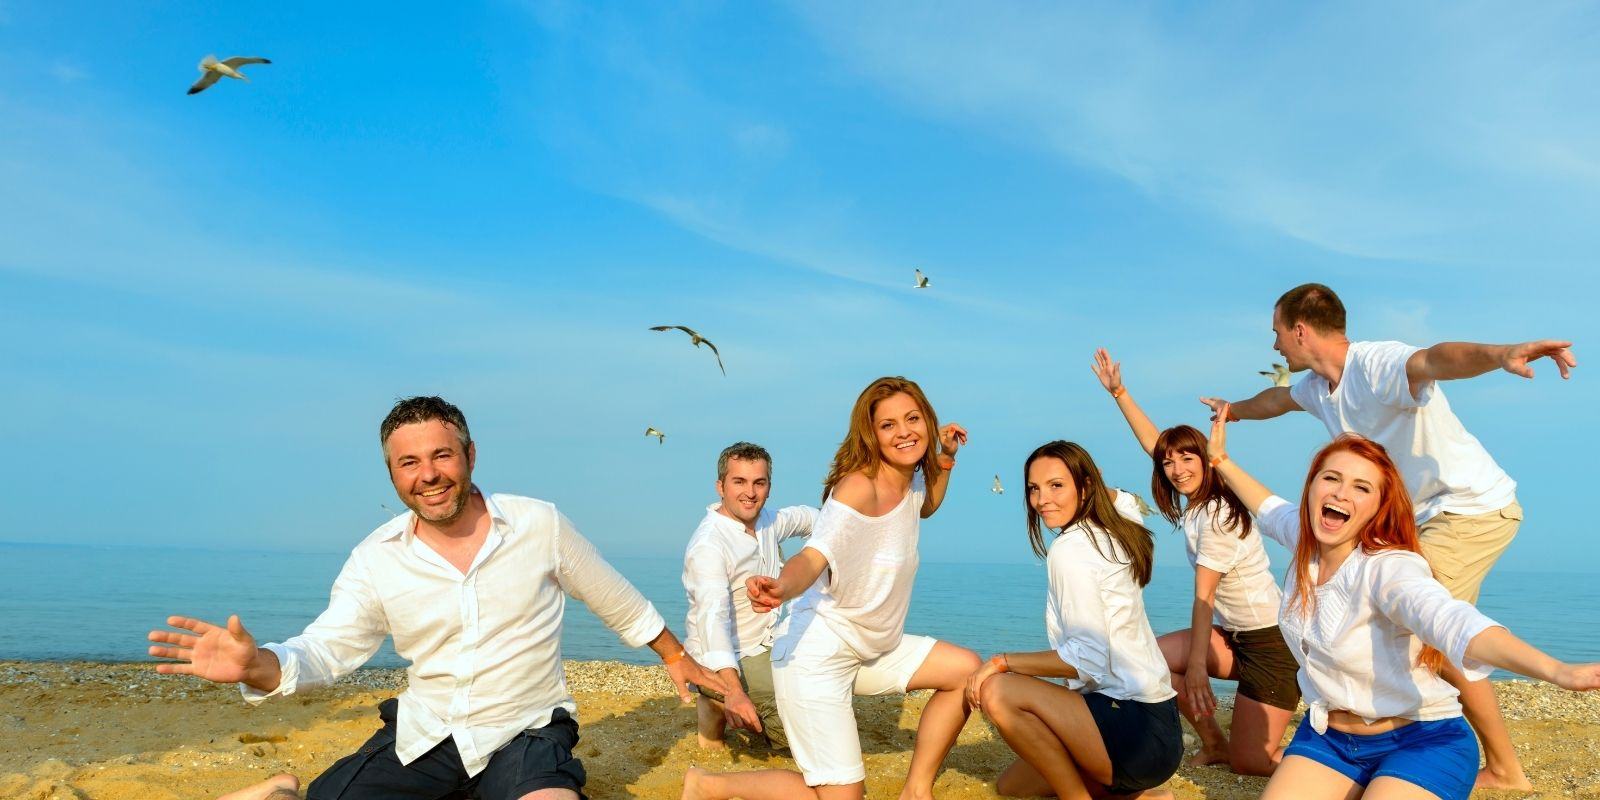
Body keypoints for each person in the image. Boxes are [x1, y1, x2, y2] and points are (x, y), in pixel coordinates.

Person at [147, 396, 726, 800]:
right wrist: (259, 665)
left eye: (441, 456)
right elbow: (328, 647)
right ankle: (281, 789)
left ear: (470, 455)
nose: (428, 474)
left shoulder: (537, 524)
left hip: (525, 732)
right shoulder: (376, 557)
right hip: (427, 734)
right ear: (393, 475)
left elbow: (615, 598)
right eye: (409, 462)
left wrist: (676, 656)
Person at [1200, 282, 1576, 791]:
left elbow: (1436, 360)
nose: (1275, 345)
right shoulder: (1317, 388)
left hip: (1468, 509)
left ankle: (1503, 767)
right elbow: (1277, 400)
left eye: (1277, 333)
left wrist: (1501, 354)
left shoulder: (1374, 365)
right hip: (1414, 517)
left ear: (1300, 331)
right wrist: (1234, 411)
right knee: (1408, 629)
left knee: (1429, 632)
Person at [1206, 406, 1600, 800]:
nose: (1341, 493)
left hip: (1423, 742)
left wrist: (1558, 671)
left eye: (1362, 487)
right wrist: (1220, 460)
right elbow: (1267, 507)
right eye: (1331, 478)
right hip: (1329, 739)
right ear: (1311, 487)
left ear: (1377, 508)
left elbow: (1453, 622)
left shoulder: (1388, 568)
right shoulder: (1305, 538)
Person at [682, 376, 981, 800]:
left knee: (966, 669)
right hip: (816, 658)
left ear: (929, 422)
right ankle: (709, 785)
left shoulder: (911, 479)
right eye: (888, 425)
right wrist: (782, 587)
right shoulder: (858, 487)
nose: (903, 432)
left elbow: (926, 504)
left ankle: (916, 791)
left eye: (912, 419)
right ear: (871, 434)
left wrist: (945, 458)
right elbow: (813, 555)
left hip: (873, 647)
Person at [1093, 348, 1297, 775]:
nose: (1176, 469)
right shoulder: (1198, 504)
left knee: (1252, 763)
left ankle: (1328, 764)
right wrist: (1119, 393)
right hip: (1235, 637)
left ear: (1206, 461)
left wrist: (1199, 670)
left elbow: (1203, 597)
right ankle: (1214, 743)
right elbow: (1156, 445)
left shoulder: (1217, 516)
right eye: (1169, 462)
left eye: (1187, 459)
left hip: (1272, 647)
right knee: (1150, 659)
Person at [965, 441, 1182, 800]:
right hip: (1162, 732)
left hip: (1132, 729)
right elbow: (1127, 500)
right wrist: (1090, 485)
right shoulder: (1119, 525)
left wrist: (1001, 662)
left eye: (1056, 485)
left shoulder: (1071, 549)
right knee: (1012, 786)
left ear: (1084, 487)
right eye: (1034, 488)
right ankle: (1143, 797)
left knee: (998, 691)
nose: (1042, 500)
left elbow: (1086, 659)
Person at [682, 441, 818, 750]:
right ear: (721, 486)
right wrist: (734, 692)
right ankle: (715, 697)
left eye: (759, 482)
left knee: (825, 692)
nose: (750, 492)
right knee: (803, 741)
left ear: (769, 486)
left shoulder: (769, 521)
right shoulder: (709, 545)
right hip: (726, 656)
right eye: (739, 482)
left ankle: (718, 702)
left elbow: (813, 518)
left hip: (770, 642)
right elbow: (713, 623)